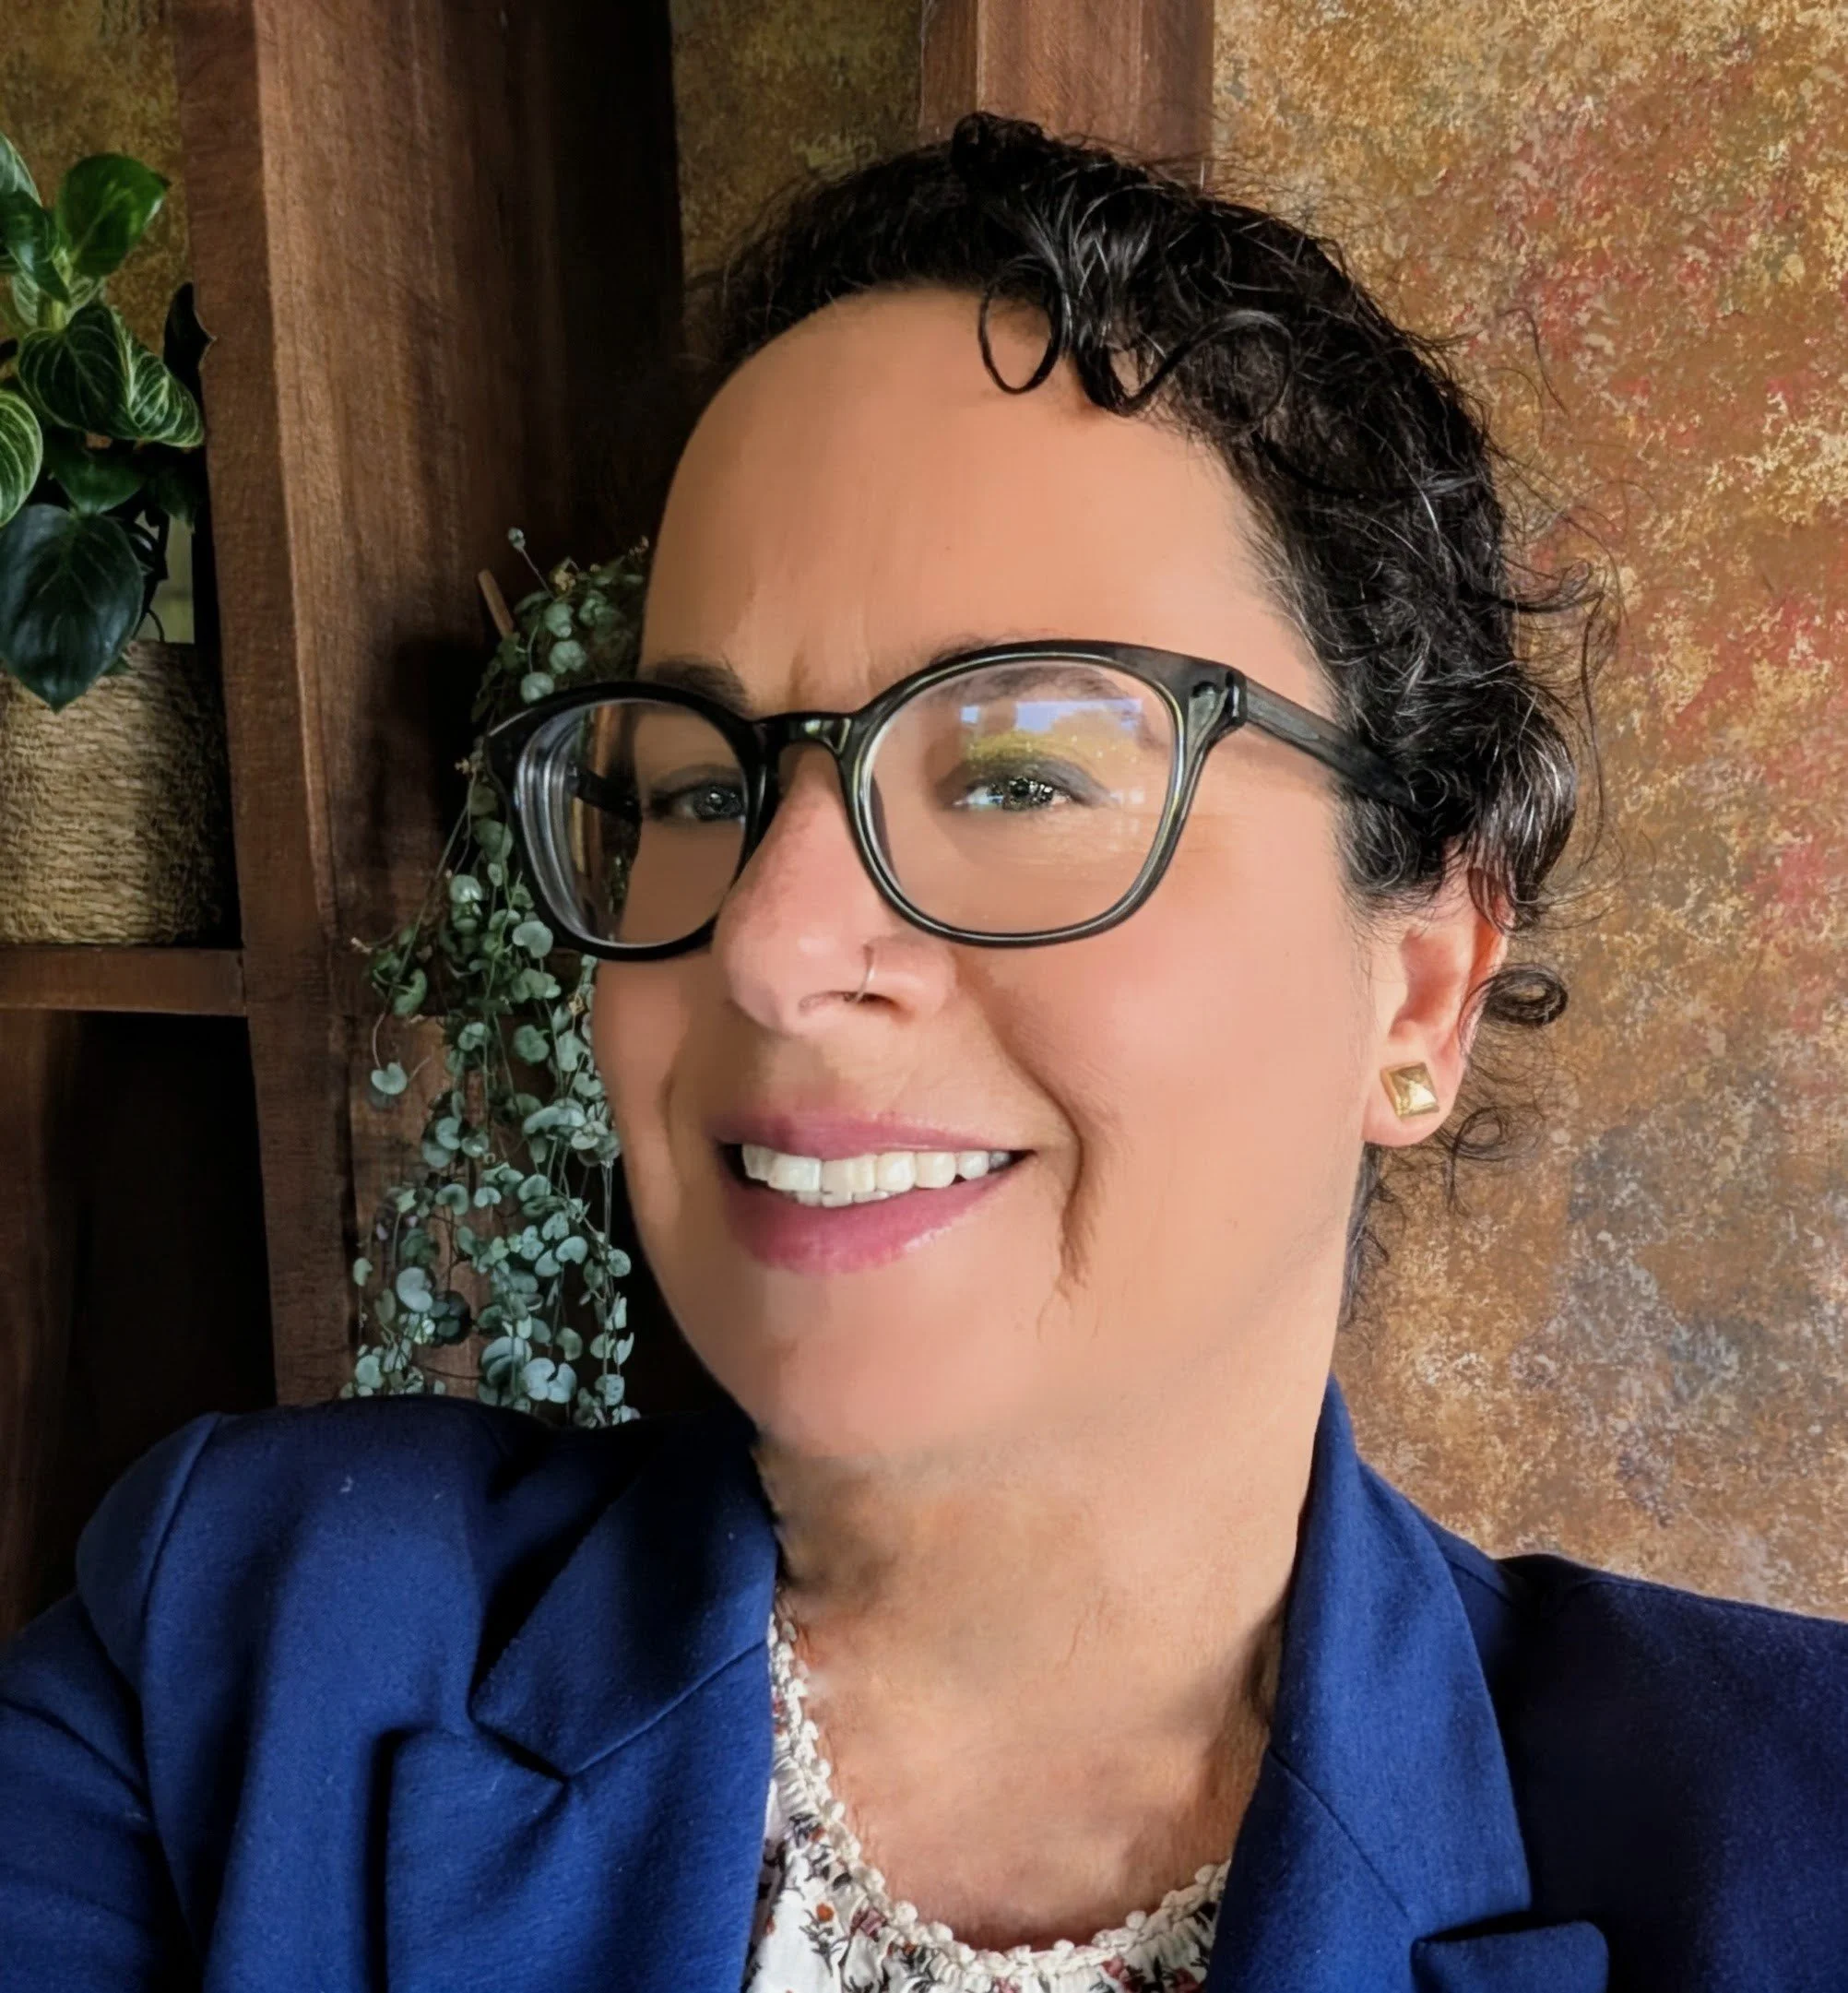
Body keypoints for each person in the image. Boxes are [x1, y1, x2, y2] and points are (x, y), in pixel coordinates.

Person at [2, 113, 1843, 1993]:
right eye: (697, 790)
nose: (770, 943)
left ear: (1424, 989)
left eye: (1023, 775)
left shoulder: (1792, 1838)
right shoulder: (238, 1653)